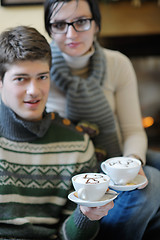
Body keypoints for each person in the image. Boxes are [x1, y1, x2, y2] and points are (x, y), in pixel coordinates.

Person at [44, 0, 160, 239]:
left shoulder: (117, 63)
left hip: (118, 155)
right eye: (59, 24)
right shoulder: (39, 70)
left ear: (97, 24)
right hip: (77, 166)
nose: (71, 33)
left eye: (81, 22)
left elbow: (132, 130)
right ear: (49, 29)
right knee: (154, 184)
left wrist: (131, 164)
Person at [0, 25, 114, 240]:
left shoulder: (77, 144)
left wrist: (84, 217)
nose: (34, 90)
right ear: (0, 82)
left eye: (42, 77)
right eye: (21, 79)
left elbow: (68, 235)